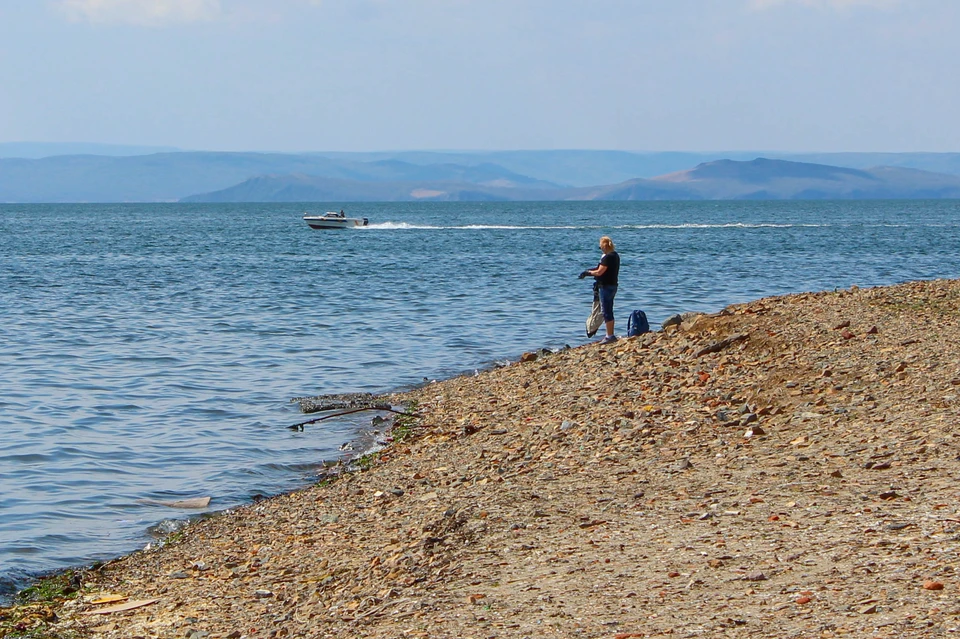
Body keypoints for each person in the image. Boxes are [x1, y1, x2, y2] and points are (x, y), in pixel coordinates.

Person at [579, 236, 620, 344]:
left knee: (606, 311)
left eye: (600, 246)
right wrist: (589, 271)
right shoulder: (615, 255)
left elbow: (599, 272)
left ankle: (609, 336)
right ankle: (610, 334)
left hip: (606, 286)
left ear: (605, 246)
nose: (600, 248)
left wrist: (588, 273)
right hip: (613, 285)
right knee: (608, 309)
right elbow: (599, 269)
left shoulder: (607, 257)